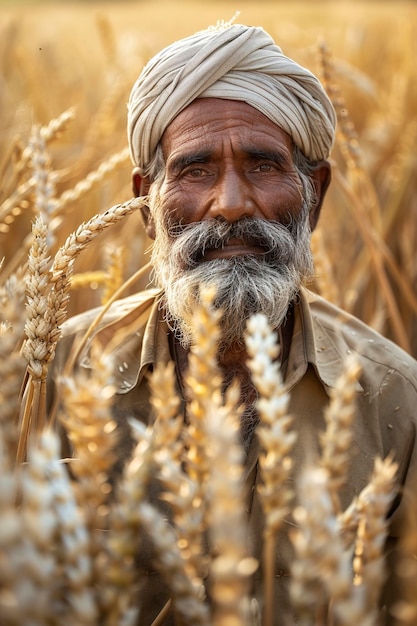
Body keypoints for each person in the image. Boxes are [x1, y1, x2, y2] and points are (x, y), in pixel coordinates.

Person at [53, 22, 417, 625]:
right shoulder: (45, 378)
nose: (230, 202)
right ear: (148, 203)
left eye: (263, 166)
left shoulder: (397, 400)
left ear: (314, 194)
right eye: (194, 170)